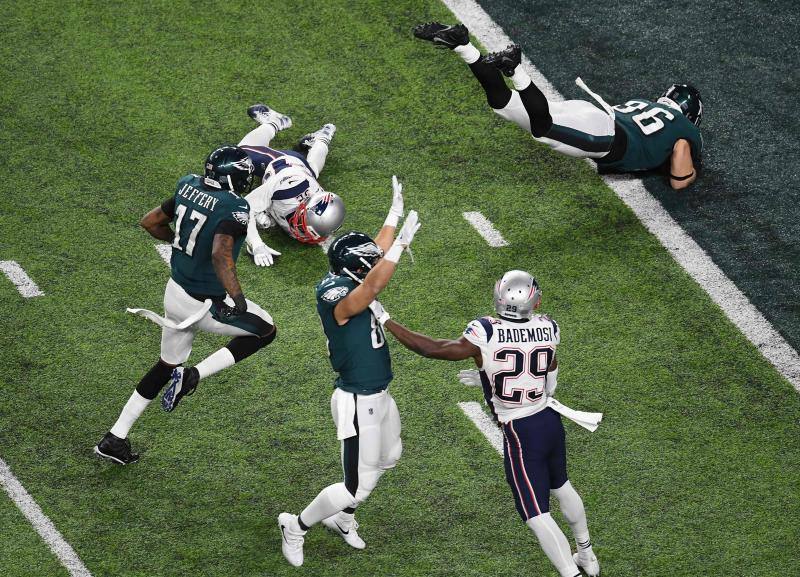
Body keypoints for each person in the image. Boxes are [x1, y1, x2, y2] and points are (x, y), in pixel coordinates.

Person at [369, 270, 602, 577]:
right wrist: (488, 377)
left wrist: (385, 318)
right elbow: (548, 375)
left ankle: (571, 574)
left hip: (521, 431)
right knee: (562, 485)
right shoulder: (549, 326)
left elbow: (434, 348)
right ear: (534, 301)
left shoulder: (486, 330)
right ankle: (587, 554)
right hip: (549, 420)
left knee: (535, 513)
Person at [94, 145, 276, 465]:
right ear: (232, 178)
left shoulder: (187, 185)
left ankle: (115, 437)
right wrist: (237, 299)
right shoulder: (233, 206)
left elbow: (150, 222)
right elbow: (220, 254)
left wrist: (179, 244)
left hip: (175, 292)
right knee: (266, 331)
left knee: (165, 365)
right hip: (204, 303)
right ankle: (193, 376)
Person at [277, 177, 421, 567]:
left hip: (379, 392)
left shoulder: (351, 273)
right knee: (354, 484)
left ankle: (342, 518)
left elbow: (375, 255)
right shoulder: (337, 295)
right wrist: (400, 246)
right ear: (357, 269)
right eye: (370, 262)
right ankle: (296, 525)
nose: (378, 261)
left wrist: (394, 214)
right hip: (357, 399)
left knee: (390, 456)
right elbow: (370, 288)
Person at [413, 22, 703, 190]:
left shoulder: (644, 103)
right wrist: (688, 174)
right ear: (691, 115)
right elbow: (679, 171)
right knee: (544, 129)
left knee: (503, 103)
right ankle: (515, 69)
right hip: (606, 138)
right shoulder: (686, 130)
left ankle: (463, 45)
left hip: (594, 114)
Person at [237, 104, 345, 267]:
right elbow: (244, 208)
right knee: (239, 154)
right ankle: (274, 122)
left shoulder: (316, 202)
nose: (300, 229)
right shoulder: (285, 186)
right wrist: (257, 245)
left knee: (313, 170)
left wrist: (268, 217)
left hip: (304, 170)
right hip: (280, 163)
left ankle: (322, 138)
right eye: (303, 223)